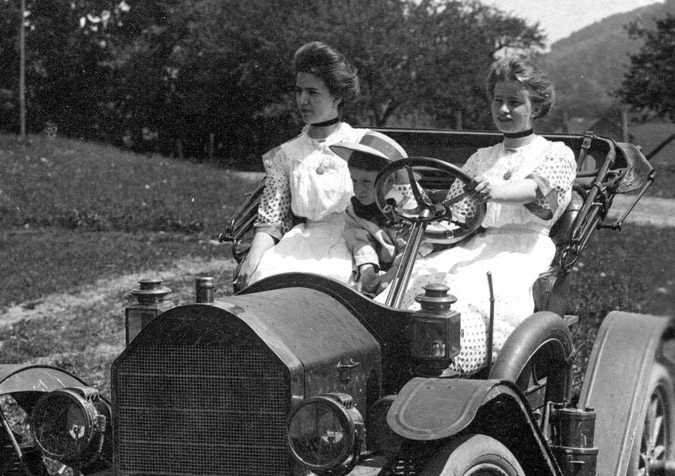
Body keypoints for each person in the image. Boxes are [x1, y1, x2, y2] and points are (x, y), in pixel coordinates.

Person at [384, 56, 577, 375]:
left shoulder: (555, 153)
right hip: (477, 246)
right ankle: (399, 361)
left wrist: (493, 191)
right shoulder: (481, 158)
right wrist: (421, 230)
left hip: (522, 252)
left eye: (514, 102)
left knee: (472, 298)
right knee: (421, 282)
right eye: (498, 101)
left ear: (536, 107)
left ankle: (443, 364)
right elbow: (455, 219)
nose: (503, 110)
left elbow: (536, 190)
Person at [238, 42, 364, 287]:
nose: (302, 100)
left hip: (353, 243)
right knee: (269, 280)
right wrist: (252, 260)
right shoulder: (285, 154)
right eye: (299, 91)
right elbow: (271, 220)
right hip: (299, 244)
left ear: (337, 96)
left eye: (313, 93)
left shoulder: (361, 144)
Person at [330, 130, 409, 296]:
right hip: (378, 263)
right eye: (354, 181)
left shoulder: (408, 208)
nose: (359, 190)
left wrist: (392, 274)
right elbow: (360, 241)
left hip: (406, 264)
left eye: (367, 182)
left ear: (390, 180)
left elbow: (412, 248)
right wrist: (367, 267)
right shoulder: (355, 210)